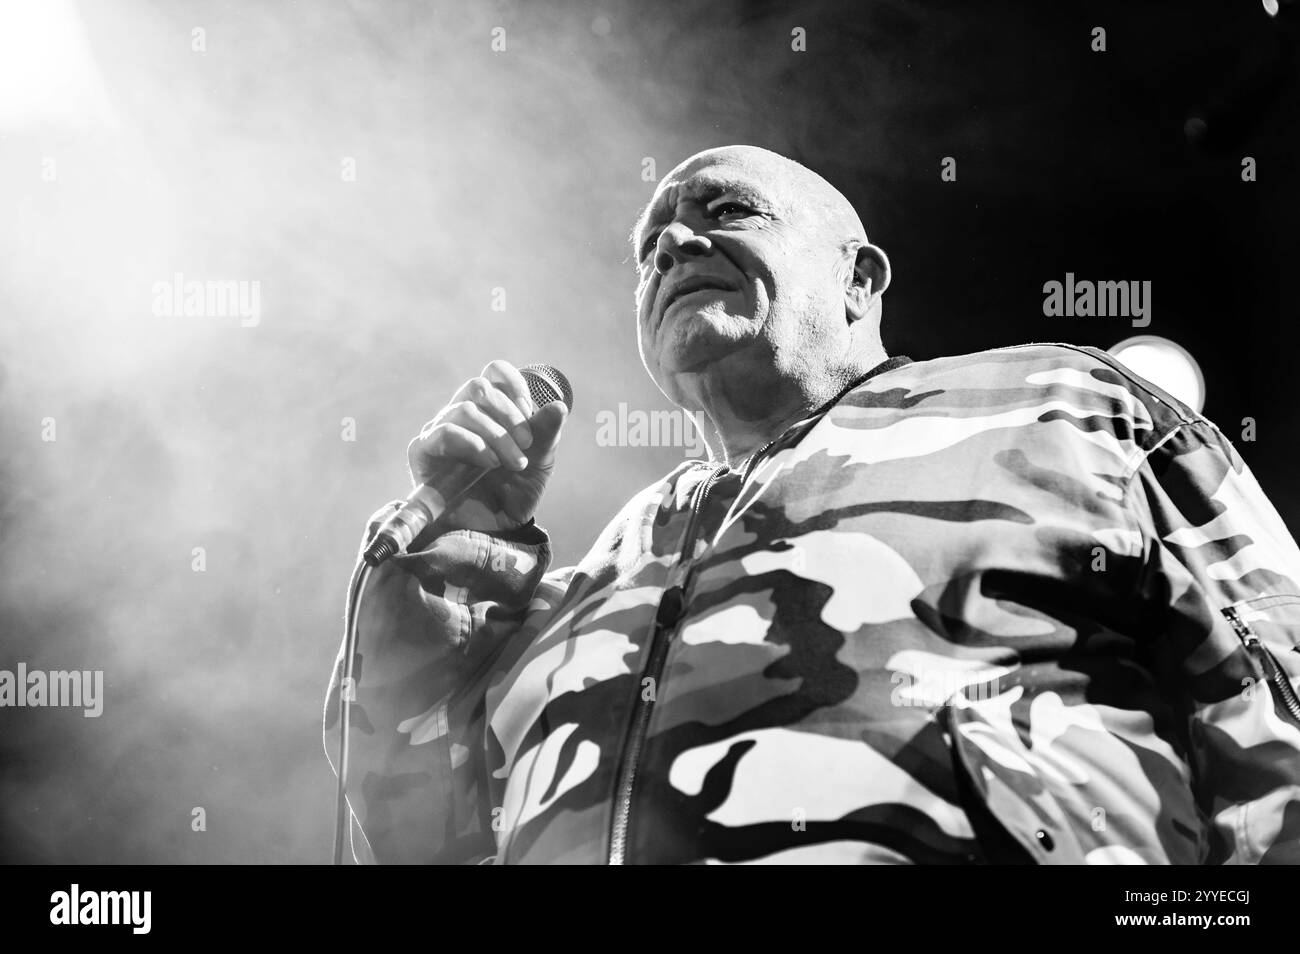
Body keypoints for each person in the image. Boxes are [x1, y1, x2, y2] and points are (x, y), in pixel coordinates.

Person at [325, 145, 1300, 864]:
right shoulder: (582, 588)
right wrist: (437, 603)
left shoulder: (1059, 407)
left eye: (726, 209)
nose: (672, 243)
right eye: (649, 248)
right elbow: (420, 850)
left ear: (858, 278)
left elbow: (1277, 719)